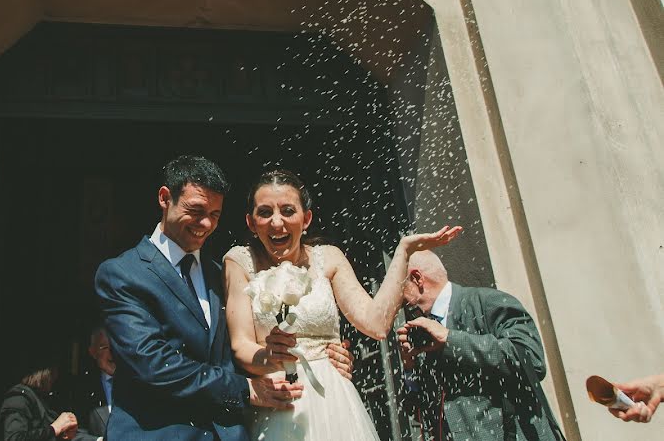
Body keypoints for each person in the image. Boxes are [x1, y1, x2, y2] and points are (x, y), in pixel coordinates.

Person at [94, 155, 354, 440]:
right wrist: (244, 389)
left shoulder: (222, 272)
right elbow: (153, 363)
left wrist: (319, 357)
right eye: (196, 210)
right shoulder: (122, 273)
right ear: (165, 198)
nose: (205, 223)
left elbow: (242, 347)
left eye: (215, 215)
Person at [223, 168, 461, 440]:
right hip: (279, 397)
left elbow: (376, 323)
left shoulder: (329, 258)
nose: (277, 222)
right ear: (251, 223)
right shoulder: (239, 261)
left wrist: (403, 251)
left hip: (334, 398)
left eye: (288, 211)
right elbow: (240, 345)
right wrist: (271, 356)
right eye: (265, 212)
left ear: (306, 219)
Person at [396, 249, 565, 440]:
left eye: (399, 290)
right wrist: (410, 368)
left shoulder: (489, 302)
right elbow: (420, 409)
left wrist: (450, 339)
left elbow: (531, 360)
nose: (398, 302)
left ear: (417, 278)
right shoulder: (421, 333)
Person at [0, 353, 81, 441]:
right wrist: (55, 428)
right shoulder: (18, 398)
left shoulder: (39, 398)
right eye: (54, 372)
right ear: (46, 373)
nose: (56, 377)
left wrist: (63, 433)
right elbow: (14, 438)